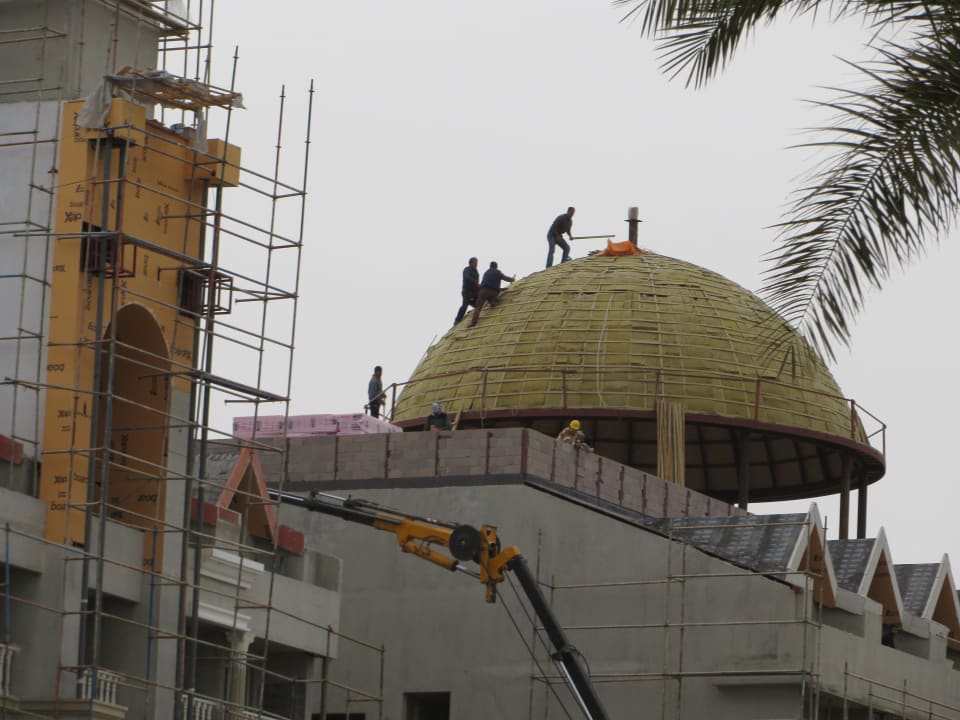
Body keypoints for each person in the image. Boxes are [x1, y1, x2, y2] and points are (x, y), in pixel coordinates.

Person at [468, 261, 515, 327]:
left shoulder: (486, 272)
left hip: (482, 291)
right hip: (492, 292)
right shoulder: (497, 272)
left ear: (490, 266)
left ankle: (473, 322)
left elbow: (487, 283)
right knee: (495, 295)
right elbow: (505, 278)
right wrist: (512, 279)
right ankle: (493, 301)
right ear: (496, 266)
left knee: (478, 307)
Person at [454, 257, 480, 324]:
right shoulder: (467, 269)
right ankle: (457, 320)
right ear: (471, 263)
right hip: (467, 292)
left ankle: (475, 317)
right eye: (475, 263)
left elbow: (477, 281)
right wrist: (475, 282)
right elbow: (467, 277)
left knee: (479, 303)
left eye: (477, 263)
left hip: (474, 292)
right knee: (464, 305)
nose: (476, 264)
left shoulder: (476, 272)